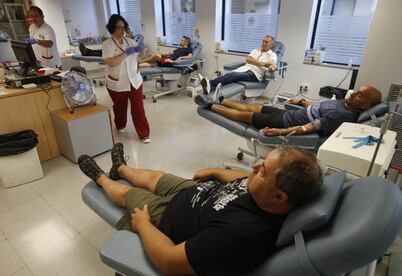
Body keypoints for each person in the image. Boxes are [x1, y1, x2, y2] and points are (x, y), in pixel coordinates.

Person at [78, 143, 322, 275]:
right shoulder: (267, 193)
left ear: (280, 197)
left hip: (168, 216)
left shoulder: (240, 234)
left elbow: (170, 262)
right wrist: (217, 172)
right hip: (197, 193)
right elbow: (245, 178)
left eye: (263, 171)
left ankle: (100, 178)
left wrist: (142, 224)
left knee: (130, 195)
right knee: (156, 177)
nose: (254, 168)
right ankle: (120, 168)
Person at [194, 85, 382, 137]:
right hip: (288, 114)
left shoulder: (343, 116)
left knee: (246, 116)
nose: (354, 93)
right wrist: (301, 101)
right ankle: (221, 99)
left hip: (286, 123)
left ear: (365, 106)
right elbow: (317, 108)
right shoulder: (345, 102)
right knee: (254, 106)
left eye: (360, 95)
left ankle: (209, 105)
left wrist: (281, 132)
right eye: (357, 90)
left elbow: (310, 127)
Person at [102, 14, 151, 143]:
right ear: (112, 28)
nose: (122, 30)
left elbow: (140, 55)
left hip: (134, 80)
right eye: (119, 27)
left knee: (138, 108)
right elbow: (111, 62)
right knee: (120, 107)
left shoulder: (129, 41)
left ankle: (144, 133)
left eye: (123, 27)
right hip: (117, 82)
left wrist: (141, 51)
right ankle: (120, 124)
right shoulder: (107, 44)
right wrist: (125, 53)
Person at [199, 35, 278, 94]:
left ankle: (209, 83)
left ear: (271, 45)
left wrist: (272, 67)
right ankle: (210, 89)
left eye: (266, 42)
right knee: (230, 75)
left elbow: (271, 65)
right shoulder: (255, 51)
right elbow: (248, 59)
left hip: (255, 75)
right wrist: (263, 63)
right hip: (244, 69)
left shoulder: (272, 55)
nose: (263, 43)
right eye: (263, 41)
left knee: (233, 76)